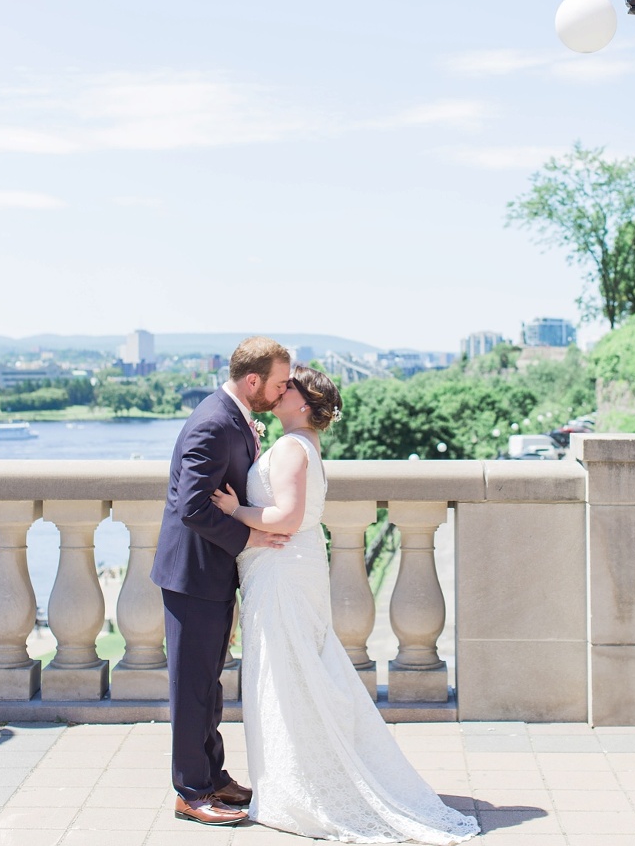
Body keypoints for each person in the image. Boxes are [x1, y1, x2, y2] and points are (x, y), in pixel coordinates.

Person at [211, 364, 479, 844]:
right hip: (286, 567)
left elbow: (286, 517)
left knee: (286, 671)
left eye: (289, 386)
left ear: (306, 405)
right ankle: (293, 781)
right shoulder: (303, 444)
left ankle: (296, 788)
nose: (281, 389)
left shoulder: (294, 447)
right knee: (292, 671)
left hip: (282, 569)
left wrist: (234, 511)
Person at [150, 336, 292, 827]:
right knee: (191, 686)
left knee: (207, 685)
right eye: (279, 384)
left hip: (211, 574)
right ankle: (191, 792)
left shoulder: (232, 417)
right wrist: (248, 541)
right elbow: (191, 507)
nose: (282, 392)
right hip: (192, 575)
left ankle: (212, 776)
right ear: (253, 380)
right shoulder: (213, 423)